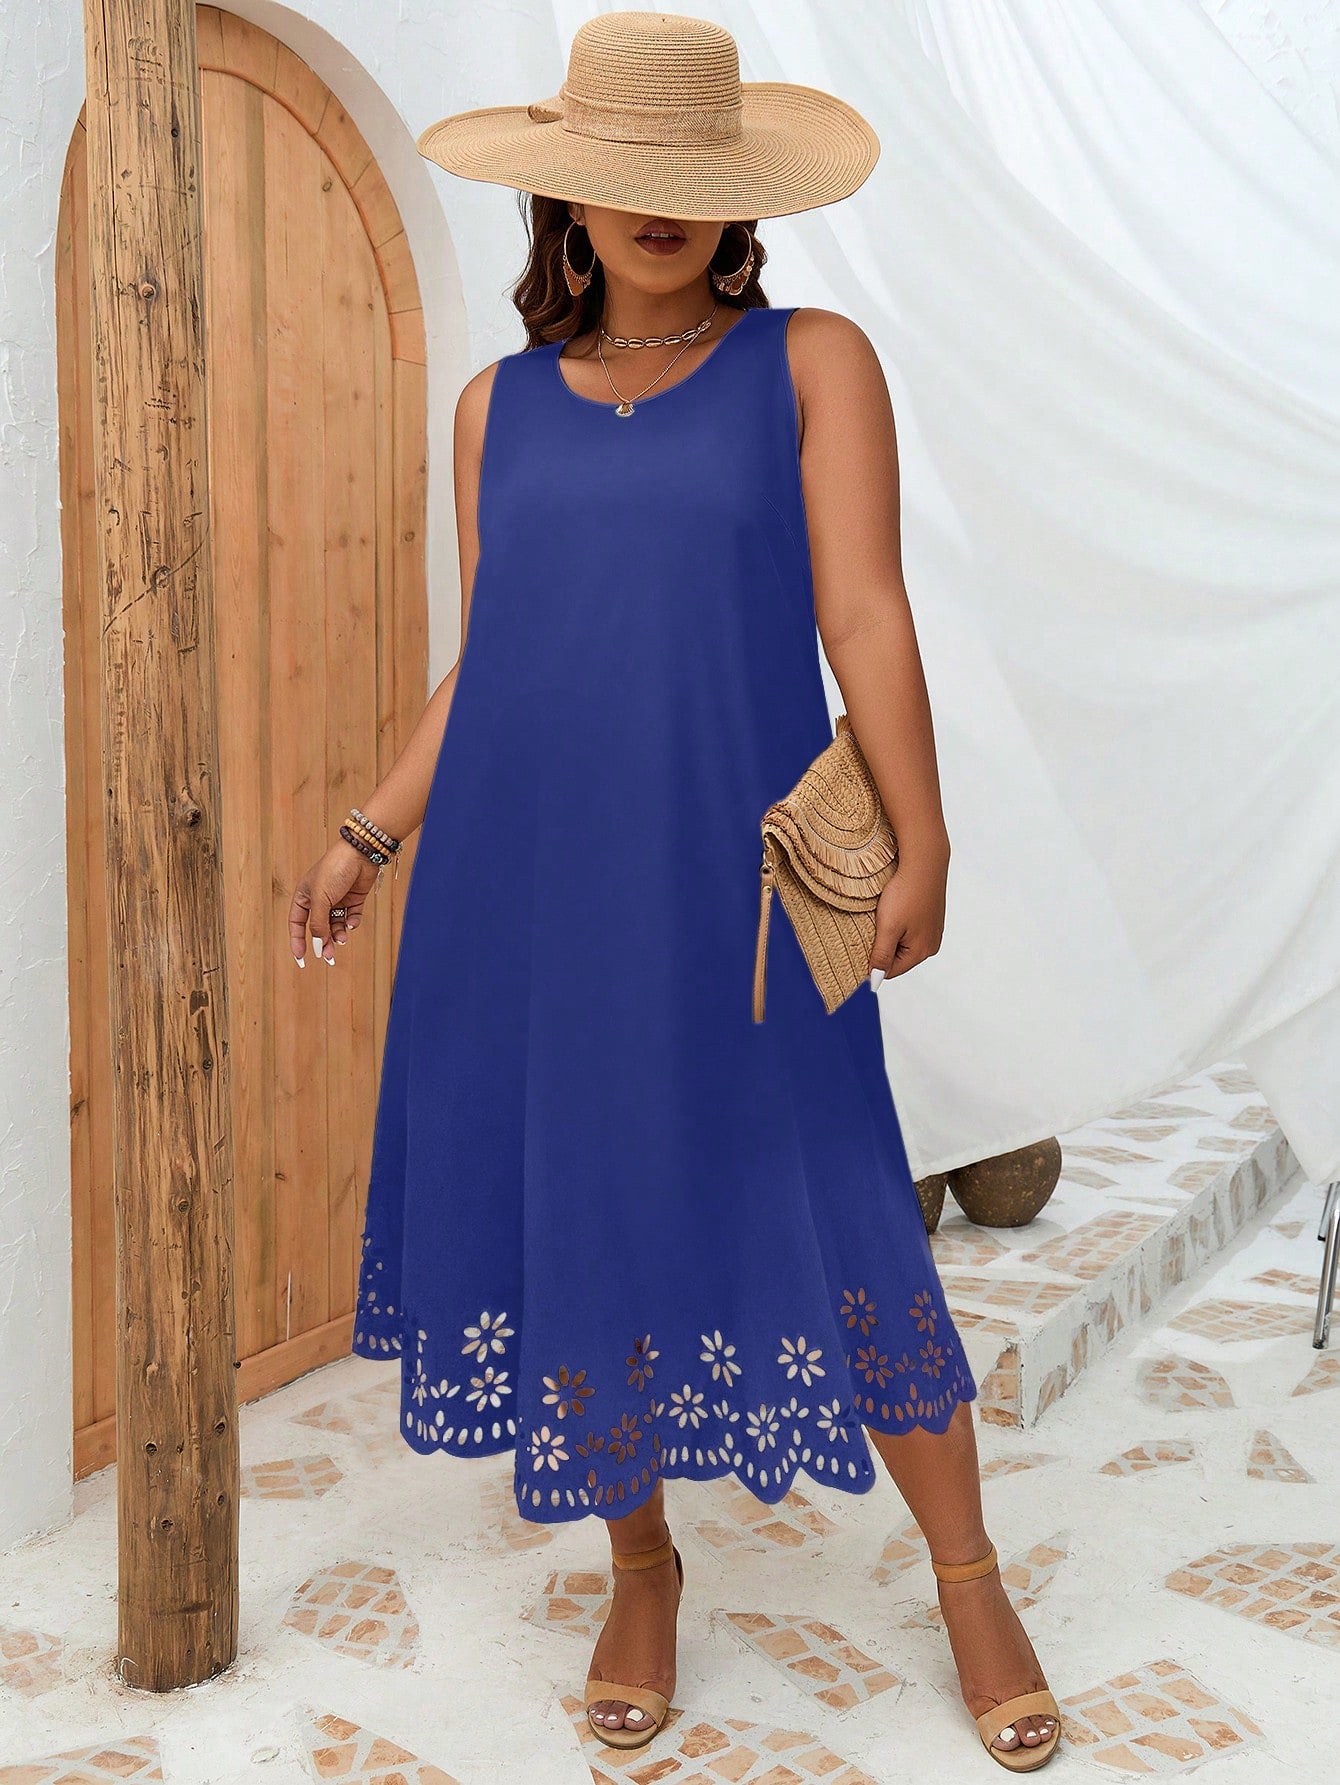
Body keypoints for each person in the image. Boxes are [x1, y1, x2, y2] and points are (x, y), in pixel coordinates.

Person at [288, 12, 1059, 1773]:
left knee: (838, 1190)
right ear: (567, 193)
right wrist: (371, 832)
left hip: (736, 891)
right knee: (582, 1210)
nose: (660, 207)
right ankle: (640, 1566)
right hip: (527, 896)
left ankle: (968, 1573)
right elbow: (493, 661)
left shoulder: (810, 361)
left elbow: (863, 609)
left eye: (693, 179)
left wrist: (924, 835)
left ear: (739, 199)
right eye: (625, 174)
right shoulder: (492, 410)